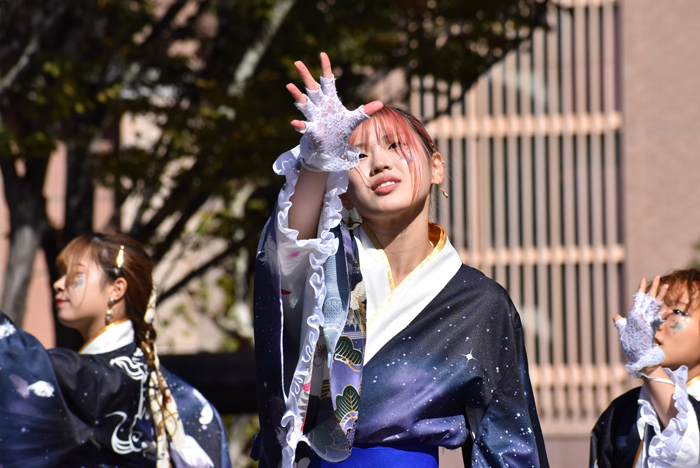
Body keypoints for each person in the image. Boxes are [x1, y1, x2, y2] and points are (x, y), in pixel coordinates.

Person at [251, 53, 548, 468]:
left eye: (396, 146)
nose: (380, 163)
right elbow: (285, 256)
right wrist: (318, 160)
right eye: (357, 156)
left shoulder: (481, 301)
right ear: (345, 191)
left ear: (437, 166)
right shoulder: (325, 264)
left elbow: (508, 442)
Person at [0, 232, 232, 468]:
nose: (58, 284)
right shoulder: (187, 398)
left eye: (75, 274)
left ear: (116, 289)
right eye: (61, 274)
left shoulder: (101, 379)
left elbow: (11, 359)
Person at [590, 270, 700, 468]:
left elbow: (690, 449)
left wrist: (648, 364)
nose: (655, 321)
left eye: (677, 312)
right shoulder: (620, 411)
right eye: (652, 309)